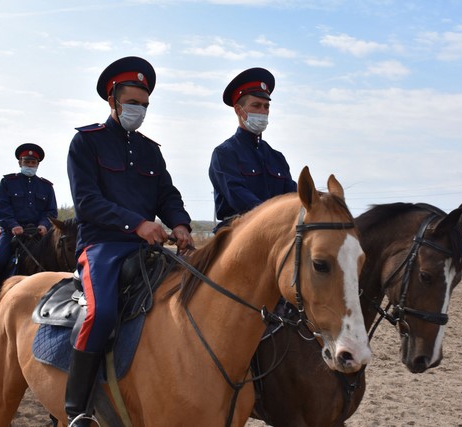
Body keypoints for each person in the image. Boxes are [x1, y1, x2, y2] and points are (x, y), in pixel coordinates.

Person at [66, 56, 193, 426]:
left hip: (147, 249)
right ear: (112, 100)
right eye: (133, 102)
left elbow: (167, 196)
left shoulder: (152, 150)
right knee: (101, 312)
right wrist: (137, 223)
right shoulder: (85, 143)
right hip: (101, 248)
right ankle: (77, 410)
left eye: (145, 104)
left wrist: (180, 224)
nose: (140, 110)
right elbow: (87, 202)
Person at [208, 67, 297, 232]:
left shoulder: (277, 158)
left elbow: (292, 195)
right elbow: (238, 196)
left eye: (266, 107)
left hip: (276, 231)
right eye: (256, 106)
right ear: (238, 110)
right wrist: (274, 216)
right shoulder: (224, 153)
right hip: (237, 233)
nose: (263, 112)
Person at [0, 143, 57, 311]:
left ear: (38, 164)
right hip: (12, 233)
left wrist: (44, 225)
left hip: (38, 234)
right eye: (26, 162)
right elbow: (3, 208)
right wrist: (13, 225)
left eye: (33, 162)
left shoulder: (46, 187)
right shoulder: (8, 182)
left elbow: (51, 211)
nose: (29, 165)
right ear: (19, 162)